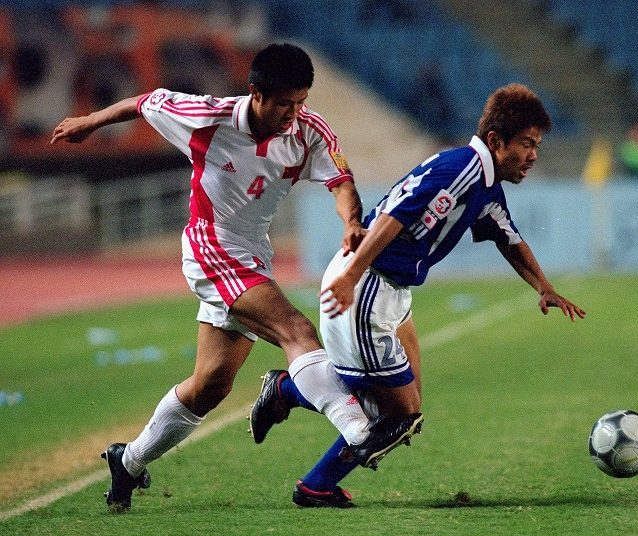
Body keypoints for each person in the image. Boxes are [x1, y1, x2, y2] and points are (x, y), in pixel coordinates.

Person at [51, 43, 415, 512]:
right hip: (210, 245)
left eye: (301, 101)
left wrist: (349, 222)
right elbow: (145, 101)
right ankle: (359, 428)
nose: (293, 113)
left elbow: (340, 182)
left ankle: (130, 460)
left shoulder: (309, 131)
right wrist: (90, 122)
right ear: (255, 93)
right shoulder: (206, 118)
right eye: (284, 102)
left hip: (252, 255)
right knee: (296, 329)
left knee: (210, 385)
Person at [251, 83, 585, 508]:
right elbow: (394, 218)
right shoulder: (461, 170)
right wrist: (352, 275)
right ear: (497, 141)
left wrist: (545, 287)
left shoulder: (482, 181)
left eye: (536, 145)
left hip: (391, 291)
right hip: (369, 282)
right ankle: (293, 411)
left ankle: (310, 458)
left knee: (403, 408)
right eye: (527, 144)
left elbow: (508, 237)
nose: (534, 155)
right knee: (397, 414)